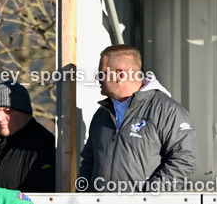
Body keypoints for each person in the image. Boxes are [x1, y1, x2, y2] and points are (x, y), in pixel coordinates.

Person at [79, 44, 198, 192]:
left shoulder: (167, 110)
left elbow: (184, 160)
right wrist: (83, 198)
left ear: (121, 75)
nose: (97, 78)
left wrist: (149, 196)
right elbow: (88, 161)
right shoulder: (102, 113)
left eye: (102, 73)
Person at [0, 81, 57, 193]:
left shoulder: (44, 147)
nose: (0, 118)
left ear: (25, 112)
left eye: (7, 111)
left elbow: (46, 197)